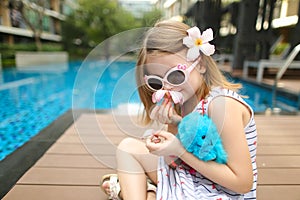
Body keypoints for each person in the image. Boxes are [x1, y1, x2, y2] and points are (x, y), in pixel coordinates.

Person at [101, 20, 257, 200]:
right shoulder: (183, 101)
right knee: (128, 147)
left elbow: (243, 183)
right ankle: (146, 191)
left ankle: (141, 191)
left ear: (200, 65)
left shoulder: (222, 105)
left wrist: (180, 149)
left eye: (176, 75)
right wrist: (168, 138)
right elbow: (174, 163)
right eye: (156, 82)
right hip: (192, 181)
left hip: (221, 193)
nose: (167, 86)